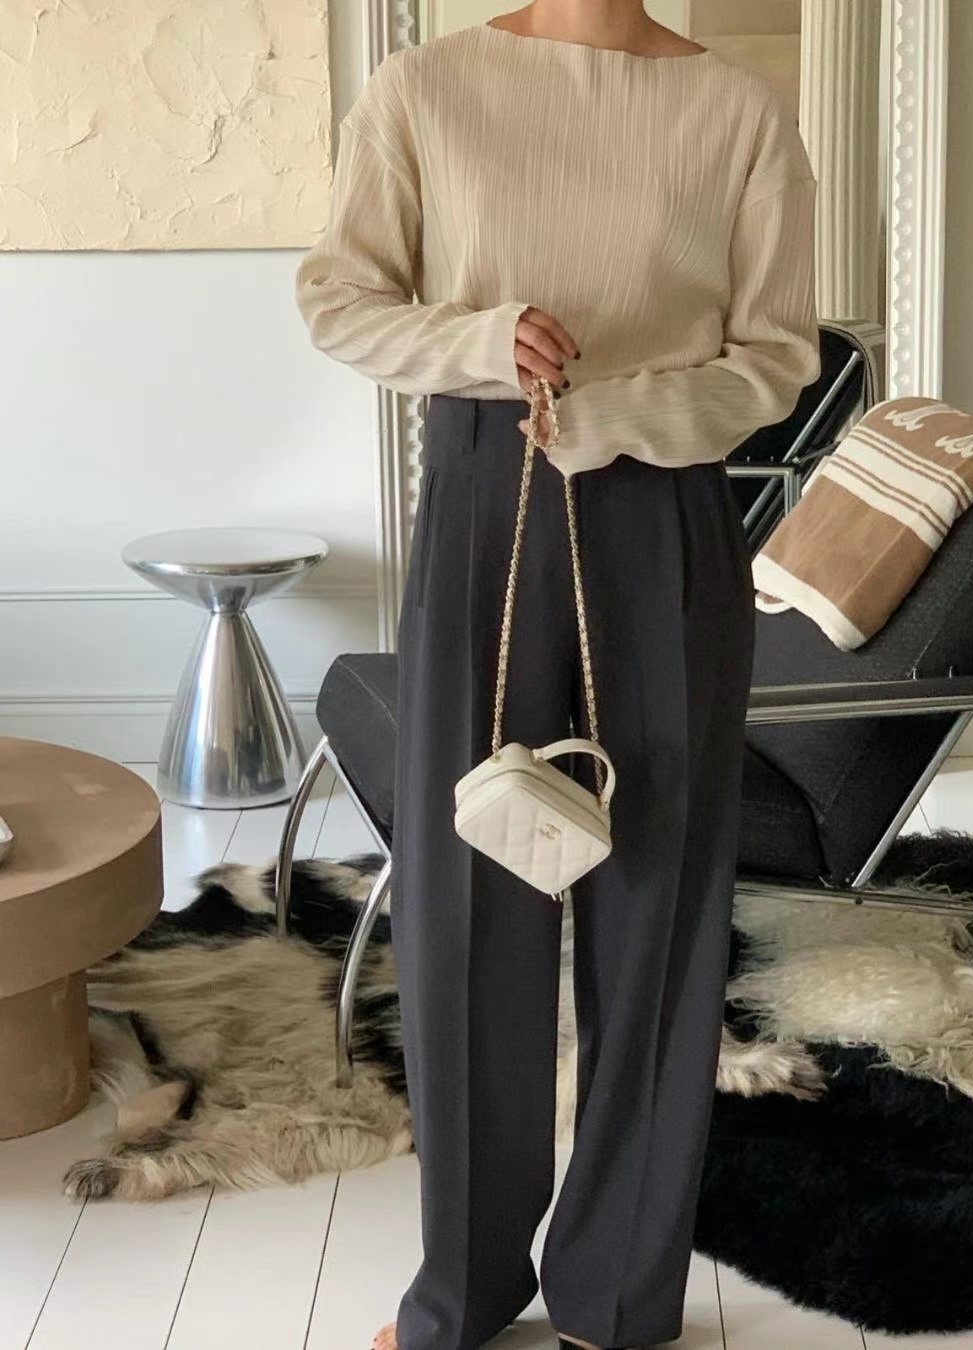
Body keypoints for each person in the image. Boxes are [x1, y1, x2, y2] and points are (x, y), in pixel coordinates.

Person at [294, 3, 819, 1347]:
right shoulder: (425, 88)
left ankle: (619, 1291)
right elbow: (340, 299)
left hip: (670, 515)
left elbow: (777, 356)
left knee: (660, 897)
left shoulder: (739, 113)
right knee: (471, 886)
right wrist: (483, 342)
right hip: (486, 494)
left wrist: (619, 412)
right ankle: (466, 1288)